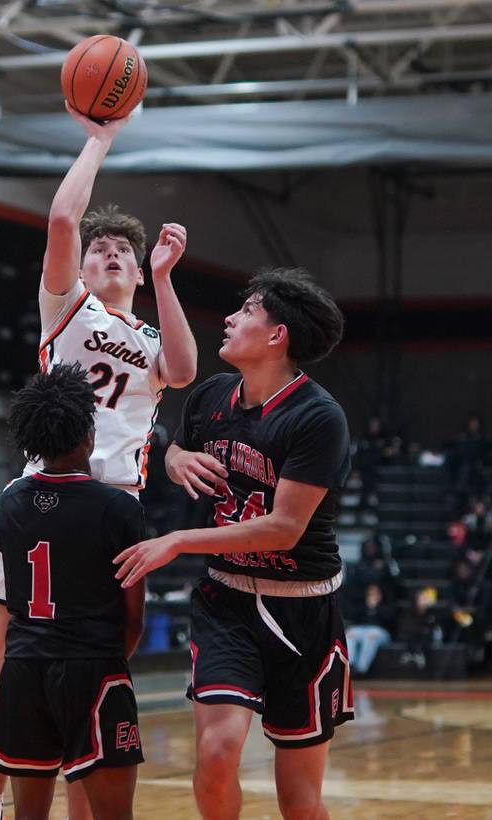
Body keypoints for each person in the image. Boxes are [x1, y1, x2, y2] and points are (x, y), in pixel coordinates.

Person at [0, 103, 197, 820]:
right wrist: (99, 139)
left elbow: (185, 371)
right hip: (40, 499)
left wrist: (164, 277)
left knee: (96, 683)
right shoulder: (67, 310)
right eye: (99, 249)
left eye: (120, 251)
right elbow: (64, 223)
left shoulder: (149, 335)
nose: (106, 254)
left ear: (136, 266)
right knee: (7, 664)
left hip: (108, 512)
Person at [114, 269, 353, 820]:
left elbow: (284, 528)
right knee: (218, 752)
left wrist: (178, 540)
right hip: (227, 605)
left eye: (246, 310)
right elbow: (171, 448)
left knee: (300, 800)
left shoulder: (319, 417)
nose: (229, 318)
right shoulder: (209, 397)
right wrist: (174, 461)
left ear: (278, 335)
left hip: (303, 610)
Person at [0, 363, 146, 820]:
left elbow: (10, 601)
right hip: (92, 668)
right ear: (89, 437)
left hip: (24, 671)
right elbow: (134, 618)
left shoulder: (10, 501)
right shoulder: (118, 507)